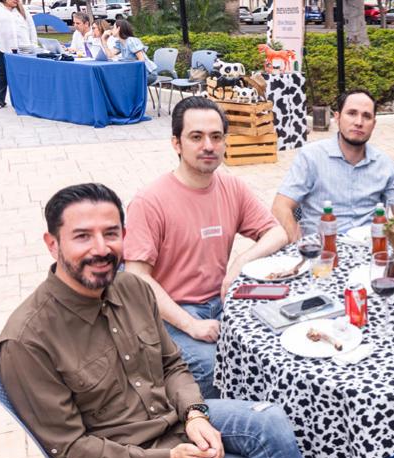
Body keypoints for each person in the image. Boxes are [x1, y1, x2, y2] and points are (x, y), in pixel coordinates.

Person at [0, 183, 316, 458]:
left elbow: (172, 365)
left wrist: (194, 414)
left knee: (270, 422)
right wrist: (169, 457)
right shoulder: (27, 341)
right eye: (82, 236)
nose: (101, 248)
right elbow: (73, 453)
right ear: (52, 244)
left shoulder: (132, 287)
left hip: (170, 422)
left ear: (125, 235)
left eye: (111, 233)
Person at [124, 97, 290, 399]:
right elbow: (136, 276)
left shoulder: (232, 187)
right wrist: (191, 325)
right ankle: (201, 423)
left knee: (278, 343)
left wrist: (240, 262)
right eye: (196, 137)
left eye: (216, 137)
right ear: (176, 143)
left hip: (223, 301)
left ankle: (266, 415)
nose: (208, 146)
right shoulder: (150, 201)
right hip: (171, 313)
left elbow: (277, 233)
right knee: (215, 367)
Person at [273, 88, 394, 239]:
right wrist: (298, 245)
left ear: (374, 124)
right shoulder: (311, 157)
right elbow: (280, 207)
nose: (359, 122)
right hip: (322, 247)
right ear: (337, 118)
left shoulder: (384, 164)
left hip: (370, 247)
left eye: (367, 116)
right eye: (352, 113)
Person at [0, 0, 37, 109]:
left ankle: (24, 100)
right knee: (2, 73)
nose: (17, 0)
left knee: (23, 74)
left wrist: (33, 44)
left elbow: (31, 27)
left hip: (23, 47)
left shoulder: (22, 8)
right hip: (2, 46)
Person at [98, 19, 158, 84]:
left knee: (121, 81)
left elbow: (141, 60)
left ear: (118, 29)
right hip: (135, 73)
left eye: (113, 28)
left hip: (148, 73)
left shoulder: (131, 41)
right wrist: (104, 40)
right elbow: (110, 56)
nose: (111, 30)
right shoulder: (120, 43)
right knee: (116, 79)